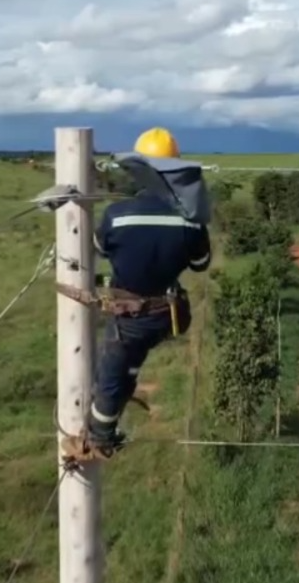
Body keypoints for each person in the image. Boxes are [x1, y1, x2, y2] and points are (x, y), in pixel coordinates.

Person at [86, 127, 211, 455]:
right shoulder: (192, 219)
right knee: (129, 365)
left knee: (109, 378)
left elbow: (99, 249)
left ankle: (99, 436)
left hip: (128, 319)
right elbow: (201, 264)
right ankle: (123, 390)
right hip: (166, 316)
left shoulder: (116, 215)